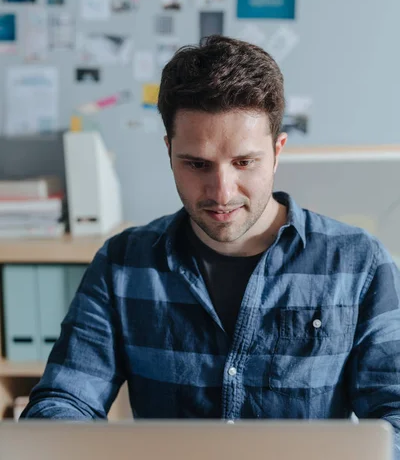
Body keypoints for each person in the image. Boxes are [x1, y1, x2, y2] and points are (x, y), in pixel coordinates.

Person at [21, 36, 400, 449]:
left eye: (244, 162)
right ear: (169, 151)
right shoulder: (121, 264)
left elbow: (394, 412)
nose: (221, 192)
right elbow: (63, 400)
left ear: (277, 151)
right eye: (197, 164)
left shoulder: (359, 264)